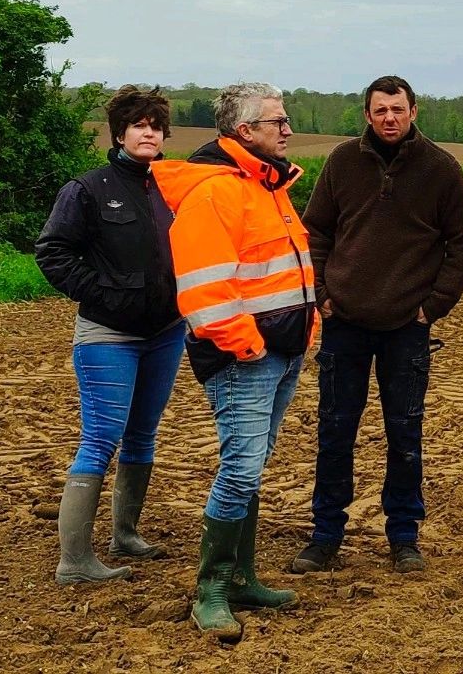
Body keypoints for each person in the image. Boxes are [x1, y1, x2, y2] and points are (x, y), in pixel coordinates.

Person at [291, 75, 463, 576]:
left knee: (404, 433)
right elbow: (316, 232)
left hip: (406, 327)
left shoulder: (440, 169)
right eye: (380, 110)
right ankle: (325, 535)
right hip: (344, 322)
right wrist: (323, 296)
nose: (389, 118)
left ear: (414, 111)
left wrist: (433, 305)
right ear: (367, 114)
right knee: (335, 431)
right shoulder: (342, 162)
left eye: (398, 109)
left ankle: (403, 536)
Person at [152, 83, 318, 642]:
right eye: (278, 120)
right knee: (240, 470)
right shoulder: (215, 192)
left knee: (252, 467)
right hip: (246, 356)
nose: (288, 128)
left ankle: (243, 578)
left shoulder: (265, 184)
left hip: (281, 350)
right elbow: (204, 289)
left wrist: (304, 328)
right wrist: (247, 346)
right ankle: (213, 591)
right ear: (244, 131)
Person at [35, 85, 185, 585]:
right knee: (101, 438)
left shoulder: (172, 188)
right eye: (139, 124)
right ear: (119, 132)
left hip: (166, 332)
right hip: (108, 334)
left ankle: (126, 535)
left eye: (156, 125)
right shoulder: (88, 188)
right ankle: (75, 561)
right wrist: (104, 295)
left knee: (143, 437)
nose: (149, 132)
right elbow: (53, 252)